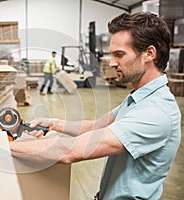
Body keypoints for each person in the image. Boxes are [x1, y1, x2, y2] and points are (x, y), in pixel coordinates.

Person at [10, 12, 181, 199]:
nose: (112, 62)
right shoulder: (140, 99)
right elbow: (95, 126)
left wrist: (2, 148)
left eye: (119, 55)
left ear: (149, 53)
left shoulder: (155, 112)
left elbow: (70, 151)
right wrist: (54, 123)